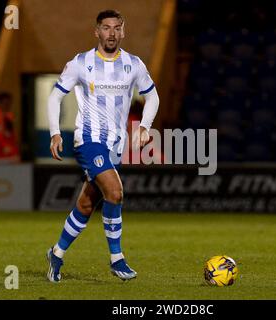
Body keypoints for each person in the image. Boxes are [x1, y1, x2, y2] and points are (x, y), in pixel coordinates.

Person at [46, 9, 159, 282]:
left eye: (116, 28)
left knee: (86, 205)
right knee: (115, 192)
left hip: (115, 146)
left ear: (123, 31)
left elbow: (152, 97)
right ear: (96, 31)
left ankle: (57, 253)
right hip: (88, 140)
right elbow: (54, 97)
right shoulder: (80, 63)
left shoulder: (134, 64)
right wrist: (54, 132)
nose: (111, 33)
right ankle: (117, 259)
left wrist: (144, 126)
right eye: (106, 28)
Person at [0, 92, 20, 163]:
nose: (7, 106)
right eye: (5, 103)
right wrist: (5, 148)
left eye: (9, 103)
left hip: (12, 155)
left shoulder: (10, 116)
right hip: (0, 157)